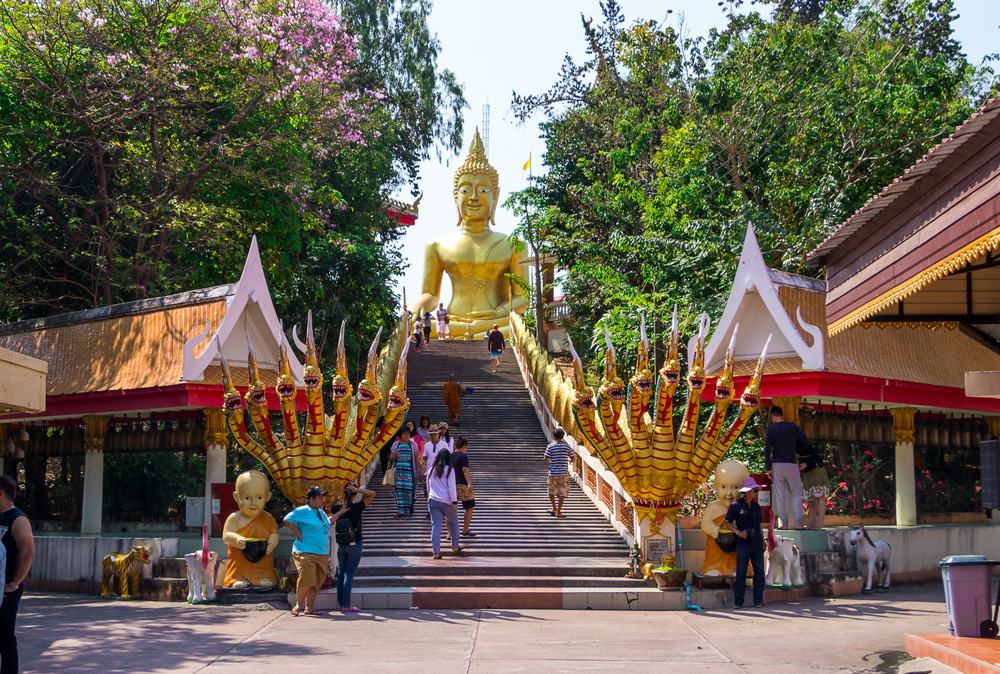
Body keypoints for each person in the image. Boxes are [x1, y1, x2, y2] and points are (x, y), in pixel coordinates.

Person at [0, 475, 33, 674]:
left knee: (5, 638)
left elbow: (28, 551)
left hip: (7, 590)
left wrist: (14, 583)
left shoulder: (18, 519)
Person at [283, 486, 331, 616]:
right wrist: (297, 534)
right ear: (312, 499)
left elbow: (327, 524)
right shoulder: (302, 510)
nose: (322, 499)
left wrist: (342, 511)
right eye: (320, 497)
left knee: (316, 581)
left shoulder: (321, 512)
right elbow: (286, 520)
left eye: (322, 497)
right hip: (305, 550)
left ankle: (309, 608)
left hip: (322, 551)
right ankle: (298, 605)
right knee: (306, 577)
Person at [330, 482, 375, 613]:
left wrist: (338, 495)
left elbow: (329, 504)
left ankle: (341, 604)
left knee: (341, 574)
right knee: (348, 574)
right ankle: (346, 605)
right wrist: (359, 489)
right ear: (355, 493)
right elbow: (372, 494)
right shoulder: (357, 507)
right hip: (355, 544)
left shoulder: (338, 509)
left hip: (342, 545)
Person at [725, 477, 766, 609]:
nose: (757, 492)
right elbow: (728, 523)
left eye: (757, 490)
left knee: (759, 572)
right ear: (747, 491)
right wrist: (738, 533)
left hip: (757, 544)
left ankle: (758, 601)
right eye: (755, 490)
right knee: (741, 572)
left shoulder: (756, 506)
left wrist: (763, 539)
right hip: (743, 543)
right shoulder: (735, 505)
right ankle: (738, 602)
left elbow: (758, 524)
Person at [764, 405, 808, 529]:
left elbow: (767, 449)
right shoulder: (792, 426)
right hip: (791, 463)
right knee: (796, 493)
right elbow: (804, 442)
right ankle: (798, 523)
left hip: (777, 464)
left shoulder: (771, 429)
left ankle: (784, 523)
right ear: (781, 415)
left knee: (780, 494)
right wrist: (798, 452)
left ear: (773, 416)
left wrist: (768, 467)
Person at [426, 449, 462, 559]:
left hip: (433, 500)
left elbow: (428, 486)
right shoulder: (450, 470)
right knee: (454, 523)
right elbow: (451, 487)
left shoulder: (431, 470)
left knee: (435, 526)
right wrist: (455, 502)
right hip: (447, 501)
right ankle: (455, 547)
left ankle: (436, 552)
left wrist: (429, 497)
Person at [544, 428, 574, 518]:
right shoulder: (566, 446)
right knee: (562, 492)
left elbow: (545, 459)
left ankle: (554, 508)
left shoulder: (550, 446)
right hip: (563, 473)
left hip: (553, 473)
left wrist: (550, 462)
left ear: (554, 436)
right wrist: (568, 460)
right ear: (563, 436)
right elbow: (573, 458)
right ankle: (559, 512)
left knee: (551, 491)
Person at [800, 442, 829, 529]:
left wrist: (806, 464)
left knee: (819, 497)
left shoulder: (804, 443)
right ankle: (812, 522)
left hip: (816, 470)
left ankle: (820, 521)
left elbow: (816, 457)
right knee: (811, 499)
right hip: (807, 473)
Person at [451, 437, 476, 537]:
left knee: (451, 508)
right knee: (470, 507)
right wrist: (469, 483)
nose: (467, 450)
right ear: (464, 446)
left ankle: (450, 533)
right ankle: (465, 529)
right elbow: (465, 470)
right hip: (462, 485)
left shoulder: (450, 455)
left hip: (451, 485)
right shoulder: (463, 456)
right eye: (467, 448)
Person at [390, 429, 418, 517]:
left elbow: (416, 458)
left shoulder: (413, 445)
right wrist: (394, 456)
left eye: (408, 434)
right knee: (399, 491)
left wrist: (416, 470)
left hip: (409, 471)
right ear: (400, 435)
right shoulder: (395, 445)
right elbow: (391, 459)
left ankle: (409, 509)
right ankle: (400, 511)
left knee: (409, 491)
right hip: (399, 472)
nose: (406, 436)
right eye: (404, 434)